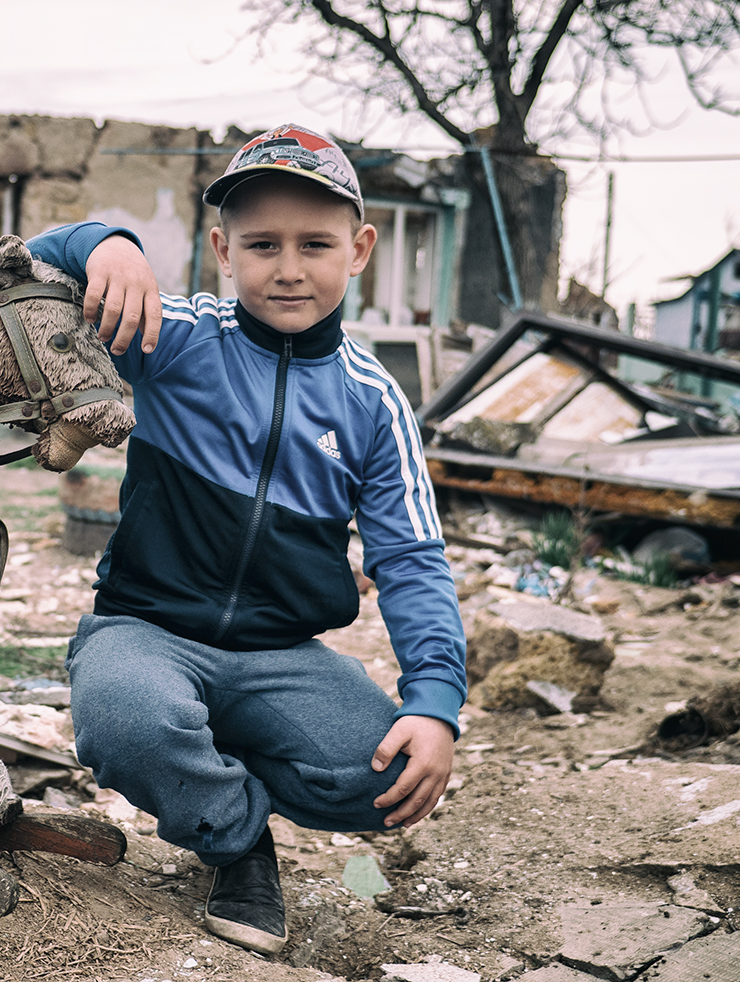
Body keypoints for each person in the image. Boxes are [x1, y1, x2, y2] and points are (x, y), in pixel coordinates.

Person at [25, 125, 466, 956]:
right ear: (224, 250)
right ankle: (236, 844)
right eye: (262, 244)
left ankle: (212, 762)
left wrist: (436, 703)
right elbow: (33, 265)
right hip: (147, 633)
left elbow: (411, 561)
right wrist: (107, 245)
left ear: (360, 249)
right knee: (127, 719)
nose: (289, 268)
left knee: (390, 783)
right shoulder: (180, 341)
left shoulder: (375, 402)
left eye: (315, 244)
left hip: (281, 656)